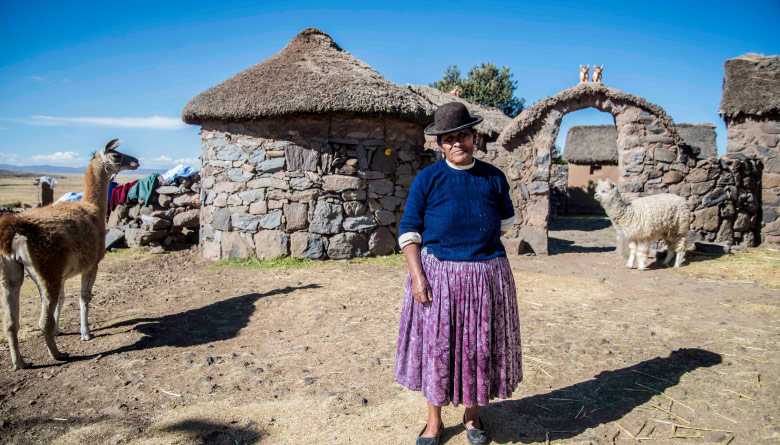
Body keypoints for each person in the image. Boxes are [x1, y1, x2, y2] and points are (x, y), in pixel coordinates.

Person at [395, 102, 523, 445]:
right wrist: (419, 276)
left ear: (474, 136)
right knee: (438, 350)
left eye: (462, 135)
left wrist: (479, 258)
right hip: (440, 279)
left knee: (479, 349)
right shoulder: (429, 179)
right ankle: (433, 422)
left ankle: (472, 416)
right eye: (448, 139)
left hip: (485, 276)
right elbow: (409, 232)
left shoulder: (493, 177)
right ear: (440, 144)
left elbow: (507, 223)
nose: (457, 143)